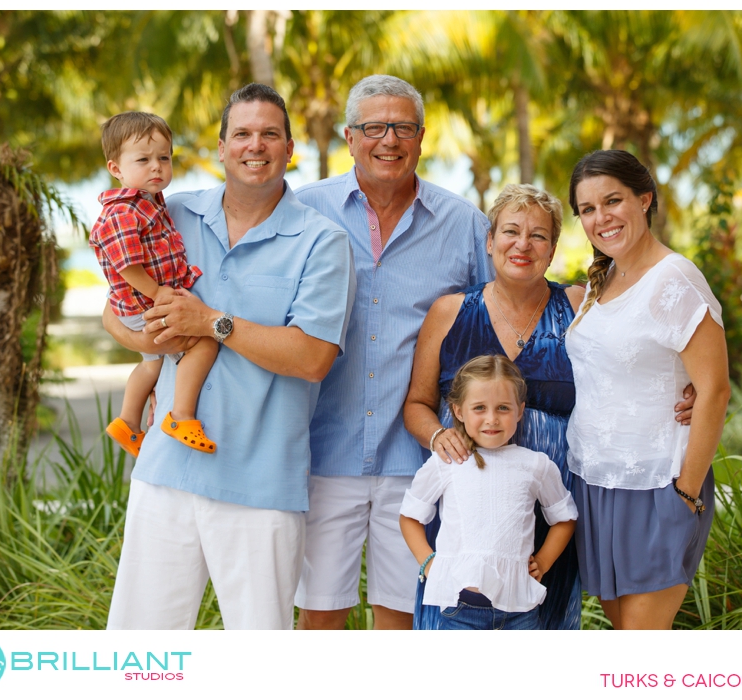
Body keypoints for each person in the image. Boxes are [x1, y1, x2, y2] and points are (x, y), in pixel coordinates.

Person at [101, 83, 356, 630]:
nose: (254, 145)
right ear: (221, 147)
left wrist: (210, 324)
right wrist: (154, 341)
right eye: (241, 133)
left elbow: (312, 358)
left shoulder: (322, 242)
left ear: (290, 149)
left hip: (260, 485)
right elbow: (114, 311)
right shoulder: (169, 212)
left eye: (269, 134)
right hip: (165, 472)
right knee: (138, 651)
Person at [403, 183, 697, 630]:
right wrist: (438, 435)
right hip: (469, 511)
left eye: (538, 235)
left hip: (555, 504)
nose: (523, 244)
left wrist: (689, 385)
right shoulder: (449, 312)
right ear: (490, 241)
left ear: (553, 249)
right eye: (511, 231)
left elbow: (640, 355)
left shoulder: (581, 305)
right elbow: (416, 403)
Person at [293, 75, 493, 630]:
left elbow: (509, 314)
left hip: (420, 460)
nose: (389, 140)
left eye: (403, 127)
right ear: (349, 137)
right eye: (374, 127)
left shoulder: (464, 224)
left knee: (403, 623)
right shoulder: (303, 211)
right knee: (319, 620)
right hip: (321, 453)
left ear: (421, 137)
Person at [565, 149, 731, 630]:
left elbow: (715, 389)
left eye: (612, 201)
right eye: (588, 209)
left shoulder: (675, 279)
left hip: (659, 482)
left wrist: (687, 492)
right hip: (594, 483)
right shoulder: (601, 280)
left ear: (644, 199)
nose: (601, 217)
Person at [399, 355, 577, 630]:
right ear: (459, 411)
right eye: (479, 408)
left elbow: (564, 518)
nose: (491, 419)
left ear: (520, 411)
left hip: (520, 613)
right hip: (460, 611)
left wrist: (543, 561)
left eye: (503, 408)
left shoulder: (536, 465)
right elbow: (410, 516)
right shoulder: (448, 462)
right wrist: (428, 562)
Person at [90, 111, 219, 457]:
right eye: (143, 160)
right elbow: (127, 265)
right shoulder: (122, 212)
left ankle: (128, 423)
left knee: (152, 363)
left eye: (164, 158)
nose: (157, 167)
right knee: (204, 343)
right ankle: (181, 417)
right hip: (144, 305)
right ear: (115, 168)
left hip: (142, 305)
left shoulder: (151, 203)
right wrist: (158, 292)